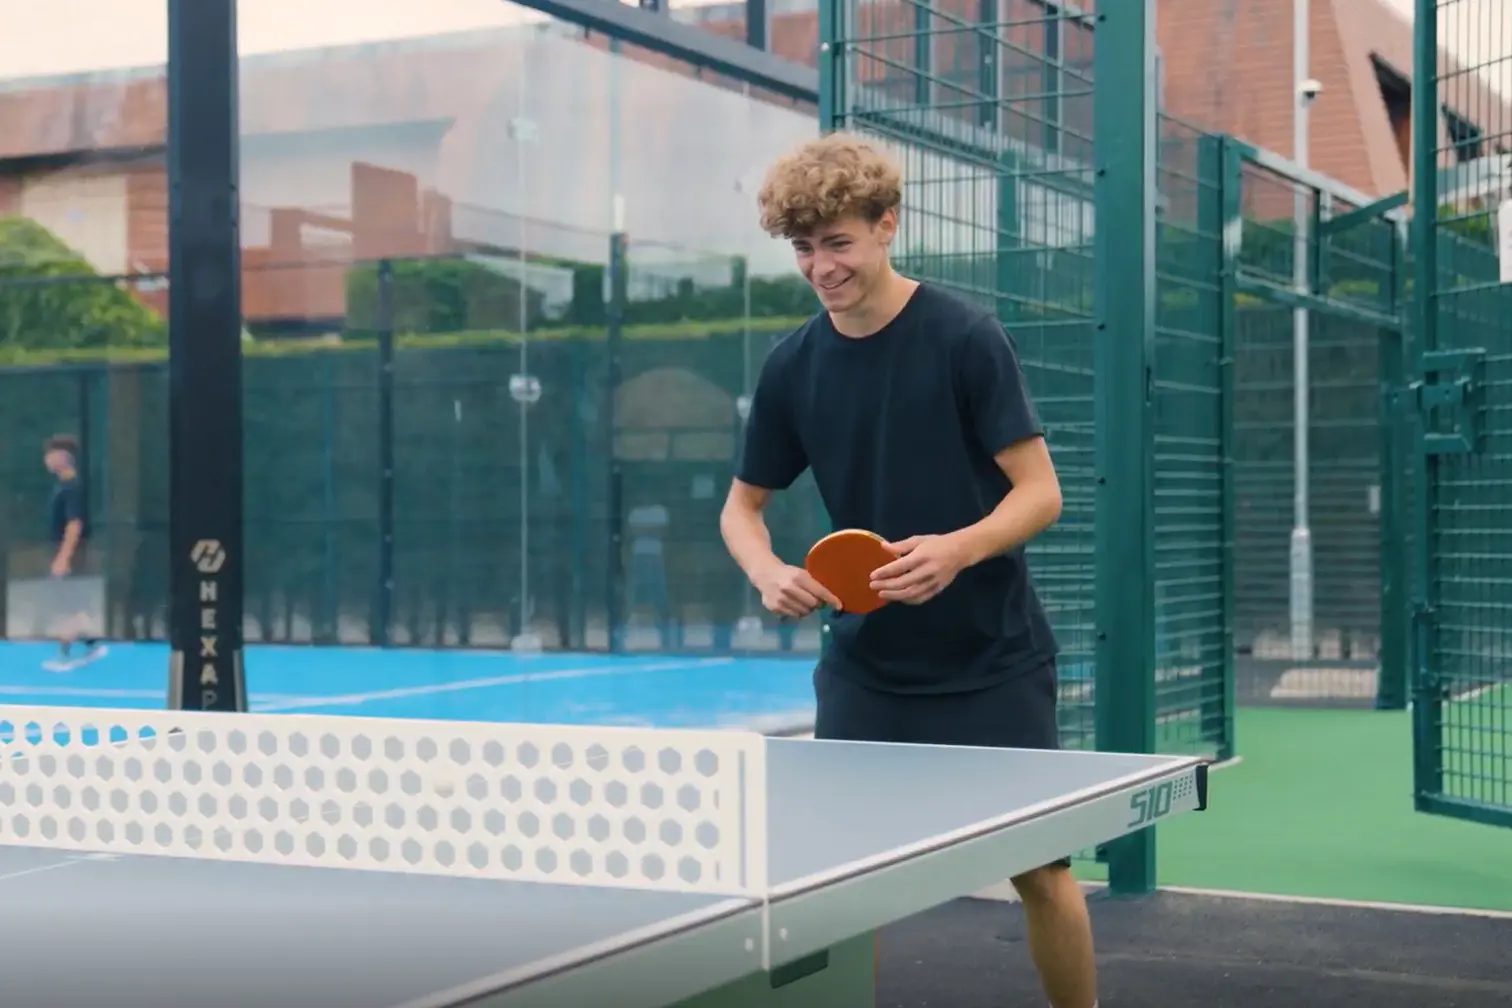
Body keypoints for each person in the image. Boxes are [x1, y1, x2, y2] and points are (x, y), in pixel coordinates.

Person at [718, 133, 1098, 1008]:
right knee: (842, 885)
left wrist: (957, 549)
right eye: (804, 248)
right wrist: (767, 570)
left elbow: (1041, 494)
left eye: (838, 242)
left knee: (1038, 871)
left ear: (888, 225)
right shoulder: (792, 365)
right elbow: (742, 508)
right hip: (865, 668)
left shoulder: (966, 337)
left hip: (990, 659)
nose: (821, 267)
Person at [42, 434, 107, 671]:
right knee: (71, 603)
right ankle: (87, 644)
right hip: (68, 552)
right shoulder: (63, 487)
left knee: (68, 604)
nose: (47, 460)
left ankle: (69, 653)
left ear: (63, 458)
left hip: (74, 552)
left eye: (50, 455)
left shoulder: (72, 488)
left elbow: (74, 524)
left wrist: (63, 557)